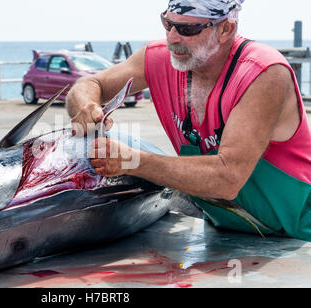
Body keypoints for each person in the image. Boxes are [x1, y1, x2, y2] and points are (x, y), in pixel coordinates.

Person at [66, 0, 311, 241]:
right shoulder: (158, 58)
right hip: (229, 233)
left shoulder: (264, 73)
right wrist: (87, 105)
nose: (172, 38)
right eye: (168, 24)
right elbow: (89, 84)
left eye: (188, 29)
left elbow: (227, 179)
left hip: (297, 238)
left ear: (226, 29)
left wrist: (133, 161)